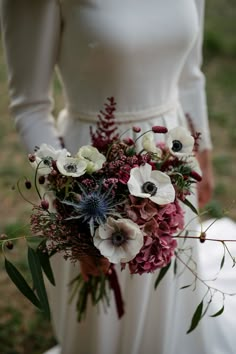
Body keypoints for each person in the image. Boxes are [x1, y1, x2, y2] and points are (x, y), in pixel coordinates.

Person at [0, 1, 220, 353]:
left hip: (173, 162)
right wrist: (70, 208)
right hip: (89, 173)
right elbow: (30, 105)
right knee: (99, 319)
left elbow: (190, 75)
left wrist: (203, 157)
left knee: (169, 300)